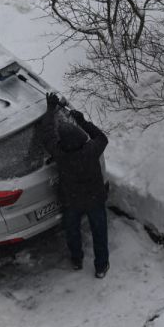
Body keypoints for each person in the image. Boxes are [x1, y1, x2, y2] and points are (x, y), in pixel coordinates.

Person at [41, 92, 111, 278]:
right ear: (81, 138)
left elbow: (47, 134)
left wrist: (50, 110)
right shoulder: (91, 150)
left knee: (73, 231)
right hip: (95, 199)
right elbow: (102, 138)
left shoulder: (61, 155)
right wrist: (83, 122)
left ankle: (76, 259)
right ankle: (101, 266)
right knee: (99, 233)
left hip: (72, 202)